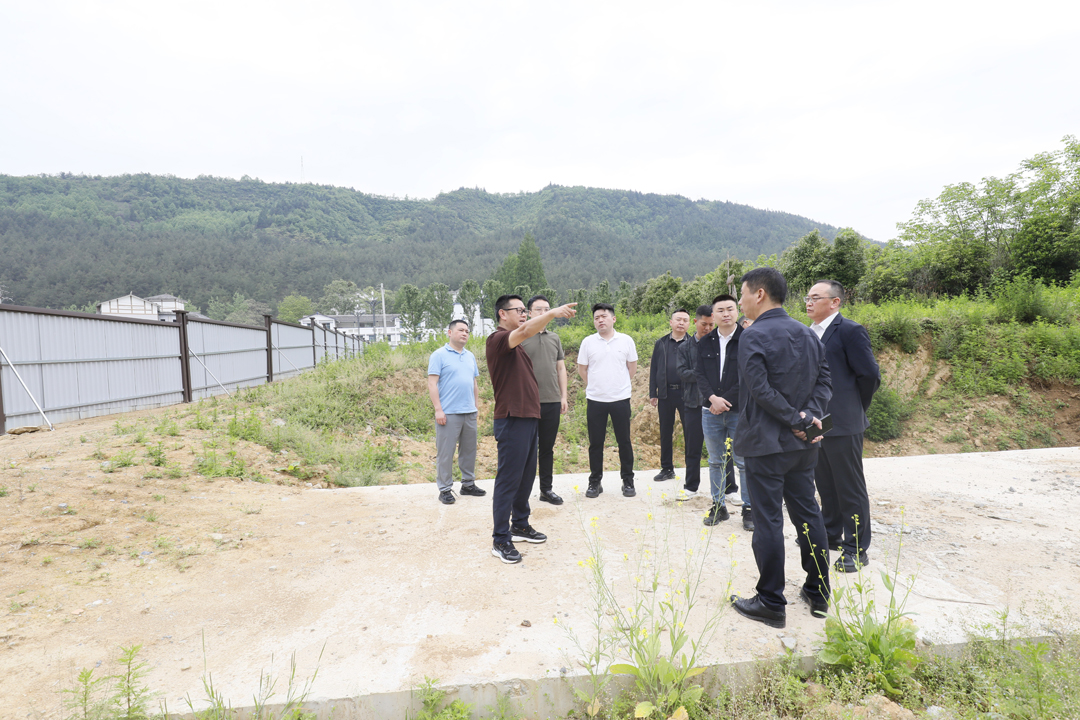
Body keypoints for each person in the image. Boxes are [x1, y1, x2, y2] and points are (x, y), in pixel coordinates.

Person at [730, 267, 832, 628]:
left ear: (759, 294)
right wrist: (809, 417)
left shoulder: (753, 336)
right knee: (808, 514)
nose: (740, 301)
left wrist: (794, 419)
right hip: (802, 447)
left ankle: (771, 601)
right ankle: (818, 592)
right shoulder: (807, 334)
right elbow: (825, 381)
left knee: (769, 521)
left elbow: (759, 389)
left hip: (766, 445)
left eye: (742, 294)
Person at [486, 294, 577, 564]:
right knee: (508, 480)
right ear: (503, 314)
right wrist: (552, 313)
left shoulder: (519, 348)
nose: (524, 314)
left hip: (528, 417)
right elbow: (525, 331)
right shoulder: (498, 339)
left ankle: (520, 524)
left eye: (525, 311)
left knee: (526, 477)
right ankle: (500, 539)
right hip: (512, 418)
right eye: (519, 310)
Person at [805, 279, 881, 573]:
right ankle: (830, 533)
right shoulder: (809, 332)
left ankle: (856, 548)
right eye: (807, 297)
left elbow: (869, 375)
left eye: (816, 297)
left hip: (843, 421)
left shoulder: (849, 330)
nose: (809, 302)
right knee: (824, 482)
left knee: (849, 487)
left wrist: (854, 408)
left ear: (835, 302)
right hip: (816, 420)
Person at [694, 294, 752, 528]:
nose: (726, 314)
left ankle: (749, 508)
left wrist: (723, 400)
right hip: (710, 411)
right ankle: (718, 506)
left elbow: (747, 375)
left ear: (737, 312)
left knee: (743, 461)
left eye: (730, 309)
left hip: (738, 411)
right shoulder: (704, 342)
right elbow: (699, 374)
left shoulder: (748, 338)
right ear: (713, 314)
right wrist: (712, 399)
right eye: (720, 310)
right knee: (715, 461)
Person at [577, 303, 638, 499]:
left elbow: (632, 367)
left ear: (613, 319)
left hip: (620, 399)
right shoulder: (588, 342)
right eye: (596, 318)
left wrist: (618, 385)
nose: (600, 320)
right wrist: (596, 385)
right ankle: (595, 482)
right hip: (596, 400)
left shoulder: (626, 340)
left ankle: (628, 481)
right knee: (596, 443)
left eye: (604, 316)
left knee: (624, 441)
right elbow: (582, 369)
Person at [427, 319, 484, 505]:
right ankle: (444, 489)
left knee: (469, 451)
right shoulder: (439, 355)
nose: (465, 333)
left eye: (467, 331)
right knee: (446, 452)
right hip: (448, 413)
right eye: (460, 330)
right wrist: (438, 410)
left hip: (469, 412)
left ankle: (468, 484)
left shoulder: (470, 356)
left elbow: (474, 383)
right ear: (450, 333)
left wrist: (476, 406)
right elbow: (432, 383)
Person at [520, 294, 568, 505]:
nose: (543, 313)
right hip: (527, 403)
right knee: (525, 450)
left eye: (547, 309)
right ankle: (521, 493)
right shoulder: (521, 336)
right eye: (539, 309)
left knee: (547, 448)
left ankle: (546, 490)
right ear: (529, 313)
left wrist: (563, 396)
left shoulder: (554, 338)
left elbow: (560, 368)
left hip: (551, 401)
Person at [648, 308, 691, 483]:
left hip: (687, 394)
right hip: (665, 394)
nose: (681, 323)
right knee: (665, 431)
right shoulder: (661, 343)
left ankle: (691, 469)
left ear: (689, 324)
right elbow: (654, 368)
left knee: (690, 432)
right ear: (671, 322)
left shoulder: (693, 343)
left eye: (685, 320)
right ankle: (667, 469)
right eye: (678, 319)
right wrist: (653, 392)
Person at [674, 305, 712, 498]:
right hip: (692, 403)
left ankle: (729, 489)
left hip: (715, 405)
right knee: (693, 447)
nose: (708, 328)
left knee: (723, 448)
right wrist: (703, 374)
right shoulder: (685, 347)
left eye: (711, 325)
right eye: (704, 324)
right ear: (696, 322)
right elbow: (682, 373)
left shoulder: (718, 344)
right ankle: (691, 486)